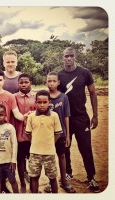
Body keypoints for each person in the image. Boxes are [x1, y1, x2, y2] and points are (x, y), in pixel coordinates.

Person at [58, 47, 99, 193]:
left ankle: (91, 177)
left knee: (86, 148)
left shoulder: (84, 73)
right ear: (62, 57)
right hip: (65, 119)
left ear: (75, 57)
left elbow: (93, 93)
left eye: (71, 56)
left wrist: (95, 115)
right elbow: (54, 94)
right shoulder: (59, 75)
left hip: (82, 118)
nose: (69, 58)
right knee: (65, 148)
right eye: (66, 56)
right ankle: (67, 173)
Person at [43, 72, 76, 193]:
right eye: (49, 81)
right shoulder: (44, 97)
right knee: (49, 158)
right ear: (46, 82)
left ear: (58, 83)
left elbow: (67, 116)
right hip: (47, 135)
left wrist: (67, 134)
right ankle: (51, 182)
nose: (51, 83)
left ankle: (64, 181)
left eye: (54, 81)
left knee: (62, 156)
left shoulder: (63, 97)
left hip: (61, 134)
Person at [26, 90, 62, 193]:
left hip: (49, 153)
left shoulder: (54, 116)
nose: (42, 105)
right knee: (34, 177)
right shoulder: (31, 117)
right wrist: (35, 143)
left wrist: (50, 143)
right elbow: (28, 134)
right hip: (34, 153)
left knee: (52, 177)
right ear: (35, 102)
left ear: (49, 102)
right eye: (39, 102)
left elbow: (57, 133)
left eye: (45, 102)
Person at [13, 73, 36, 193]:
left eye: (26, 82)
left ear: (31, 82)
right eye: (21, 82)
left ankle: (33, 184)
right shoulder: (14, 97)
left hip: (33, 136)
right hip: (18, 135)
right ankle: (22, 183)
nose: (23, 84)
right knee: (20, 159)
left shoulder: (36, 97)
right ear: (18, 83)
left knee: (33, 160)